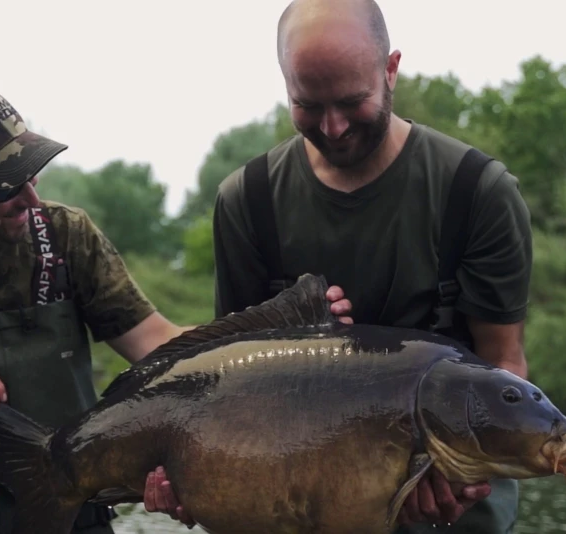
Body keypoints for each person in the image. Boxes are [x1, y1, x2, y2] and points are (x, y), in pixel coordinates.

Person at [0, 81, 354, 533]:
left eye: (29, 171)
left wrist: (283, 342)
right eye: (2, 186)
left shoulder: (65, 236)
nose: (30, 197)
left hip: (73, 519)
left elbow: (158, 344)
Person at [148, 0, 535, 532]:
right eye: (308, 105)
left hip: (448, 504)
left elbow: (503, 362)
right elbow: (228, 383)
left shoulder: (478, 192)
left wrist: (454, 483)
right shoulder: (247, 199)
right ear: (286, 86)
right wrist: (195, 478)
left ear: (391, 69)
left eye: (352, 102)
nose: (331, 127)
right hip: (299, 504)